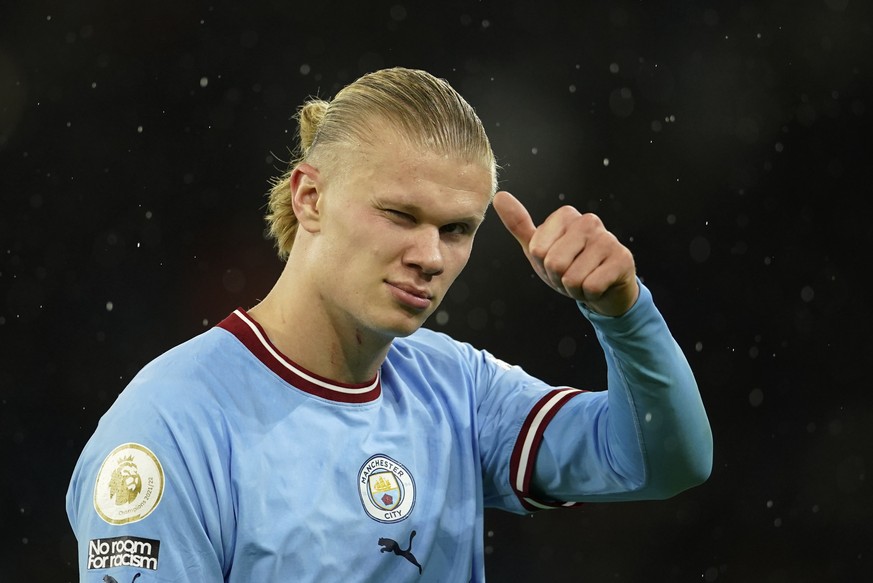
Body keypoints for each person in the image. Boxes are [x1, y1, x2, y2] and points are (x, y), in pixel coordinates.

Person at [66, 67, 712, 582]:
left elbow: (661, 461)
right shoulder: (168, 426)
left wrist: (623, 315)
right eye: (400, 215)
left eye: (456, 229)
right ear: (309, 198)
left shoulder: (455, 387)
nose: (430, 257)